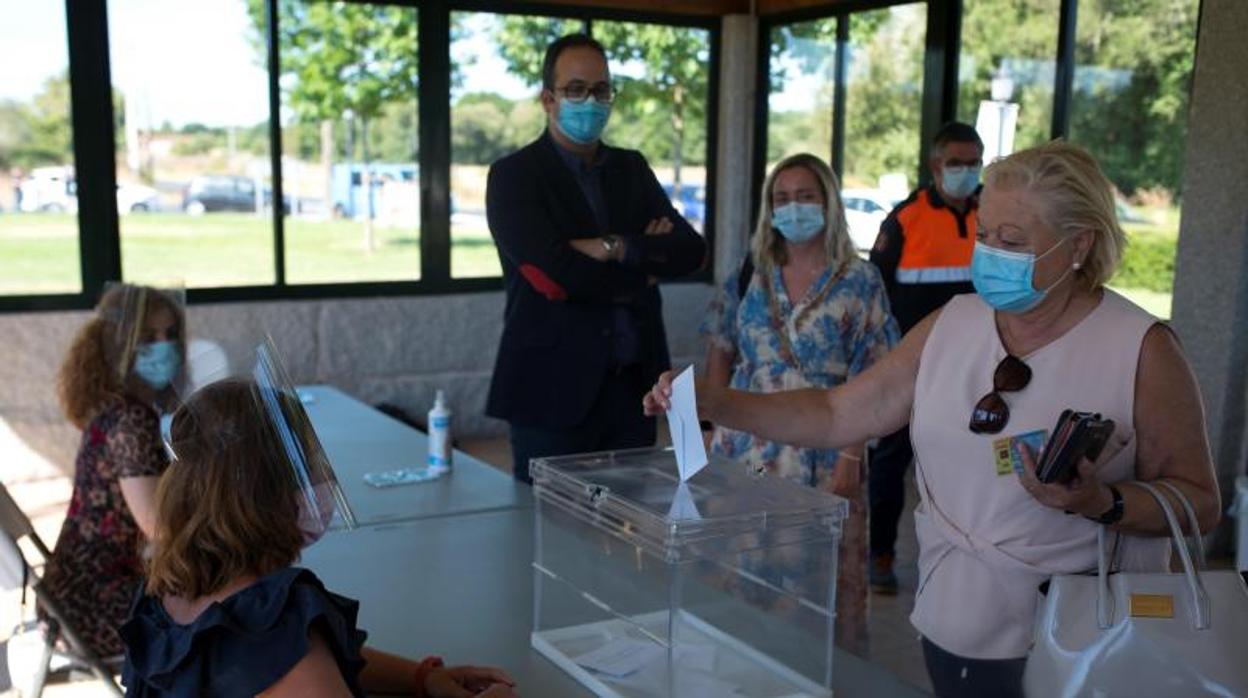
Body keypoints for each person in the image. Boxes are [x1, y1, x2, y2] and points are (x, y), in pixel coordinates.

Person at [646, 142, 1221, 697]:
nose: (988, 252)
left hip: (1079, 637)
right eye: (984, 233)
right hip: (952, 622)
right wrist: (715, 403)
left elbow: (1198, 501)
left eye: (1012, 240)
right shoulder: (955, 324)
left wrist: (1102, 502)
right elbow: (836, 412)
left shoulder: (1141, 347)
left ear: (1078, 245)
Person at [120, 378, 518, 697]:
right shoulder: (272, 626)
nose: (318, 483)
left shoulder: (168, 589)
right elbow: (291, 661)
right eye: (306, 469)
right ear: (267, 497)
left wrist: (420, 676)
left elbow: (297, 659)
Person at [485, 33, 706, 482]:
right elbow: (557, 278)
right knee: (547, 534)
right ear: (548, 99)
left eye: (602, 90)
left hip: (633, 392)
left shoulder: (631, 167)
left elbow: (690, 251)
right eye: (576, 89)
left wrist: (614, 247)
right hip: (550, 395)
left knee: (628, 536)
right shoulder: (514, 177)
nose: (591, 101)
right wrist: (643, 267)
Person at [700, 153, 898, 654]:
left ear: (828, 202)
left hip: (829, 446)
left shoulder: (859, 280)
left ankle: (816, 675)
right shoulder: (751, 271)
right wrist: (708, 424)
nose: (793, 207)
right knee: (741, 563)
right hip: (744, 446)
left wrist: (853, 455)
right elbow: (721, 347)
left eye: (805, 196)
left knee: (818, 575)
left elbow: (875, 375)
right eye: (781, 198)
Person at [866, 122, 985, 593]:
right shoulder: (904, 220)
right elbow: (876, 292)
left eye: (973, 161)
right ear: (936, 165)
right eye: (956, 162)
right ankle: (881, 554)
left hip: (976, 367)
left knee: (969, 463)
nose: (966, 170)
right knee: (891, 463)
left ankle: (967, 557)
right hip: (911, 366)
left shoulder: (992, 214)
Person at [41, 284, 185, 657]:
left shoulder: (116, 409)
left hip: (73, 597)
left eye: (170, 335)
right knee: (237, 610)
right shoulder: (130, 420)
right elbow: (160, 527)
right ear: (118, 344)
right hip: (97, 605)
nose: (164, 347)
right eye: (148, 337)